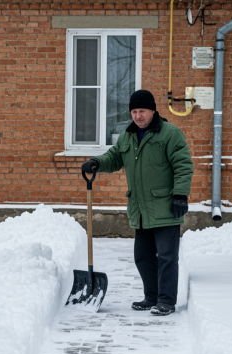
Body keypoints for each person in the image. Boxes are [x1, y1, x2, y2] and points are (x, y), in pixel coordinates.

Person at [81, 90, 193, 316]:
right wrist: (95, 163)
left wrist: (180, 195)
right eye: (134, 111)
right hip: (141, 209)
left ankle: (166, 301)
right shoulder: (128, 136)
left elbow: (183, 166)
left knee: (167, 258)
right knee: (143, 257)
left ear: (152, 110)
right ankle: (151, 297)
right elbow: (113, 157)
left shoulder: (170, 133)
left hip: (165, 207)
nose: (138, 116)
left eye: (142, 111)